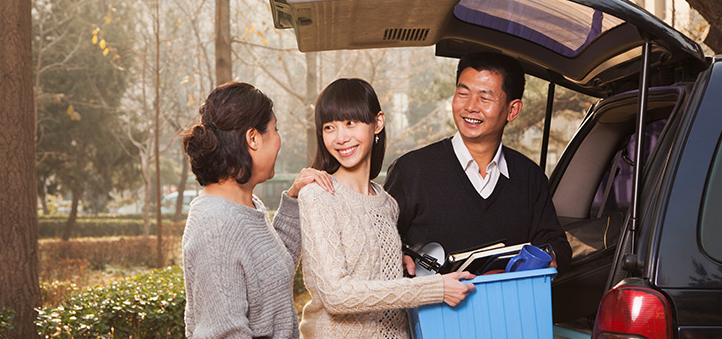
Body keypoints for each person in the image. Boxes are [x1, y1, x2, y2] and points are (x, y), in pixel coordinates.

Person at [297, 78, 475, 339]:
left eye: (351, 122)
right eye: (329, 127)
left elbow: (380, 286)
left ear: (377, 122)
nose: (340, 137)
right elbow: (336, 296)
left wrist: (396, 263)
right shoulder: (319, 196)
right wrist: (434, 289)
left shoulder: (387, 203)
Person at [385, 52, 572, 276]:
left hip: (509, 307)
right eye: (463, 94)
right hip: (432, 309)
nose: (471, 107)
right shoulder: (411, 171)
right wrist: (398, 259)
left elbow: (556, 244)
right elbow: (379, 243)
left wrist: (545, 258)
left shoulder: (530, 176)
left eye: (485, 98)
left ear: (512, 110)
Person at [181, 82, 334, 339]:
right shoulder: (216, 227)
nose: (278, 141)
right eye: (275, 130)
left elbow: (271, 269)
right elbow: (224, 334)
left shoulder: (245, 204)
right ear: (253, 138)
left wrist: (294, 199)